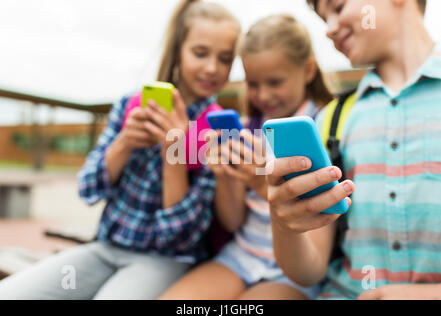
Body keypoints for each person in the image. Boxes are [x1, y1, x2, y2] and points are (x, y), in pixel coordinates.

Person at [0, 0, 240, 300]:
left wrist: (173, 152)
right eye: (200, 53)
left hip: (164, 262)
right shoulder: (131, 105)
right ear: (179, 48)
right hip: (104, 250)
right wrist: (124, 142)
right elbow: (87, 189)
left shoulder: (219, 130)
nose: (211, 68)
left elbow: (178, 238)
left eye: (225, 58)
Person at [267, 0, 441, 300]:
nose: (329, 29)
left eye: (338, 7)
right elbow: (309, 271)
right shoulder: (330, 121)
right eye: (323, 19)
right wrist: (284, 225)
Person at [159, 15, 333, 300]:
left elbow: (317, 218)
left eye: (275, 82)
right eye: (253, 83)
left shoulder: (323, 127)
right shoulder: (245, 128)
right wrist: (226, 177)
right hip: (240, 256)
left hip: (290, 271)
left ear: (308, 70)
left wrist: (258, 181)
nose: (263, 95)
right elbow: (232, 221)